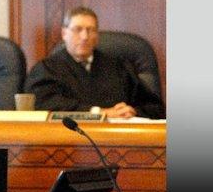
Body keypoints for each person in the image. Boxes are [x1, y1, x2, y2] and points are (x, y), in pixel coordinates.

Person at [24, 6, 165, 119]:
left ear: (97, 35)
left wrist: (133, 111)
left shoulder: (118, 67)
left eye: (90, 30)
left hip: (118, 142)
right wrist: (98, 112)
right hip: (69, 143)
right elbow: (42, 105)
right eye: (78, 29)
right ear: (64, 34)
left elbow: (155, 108)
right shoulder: (46, 69)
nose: (85, 36)